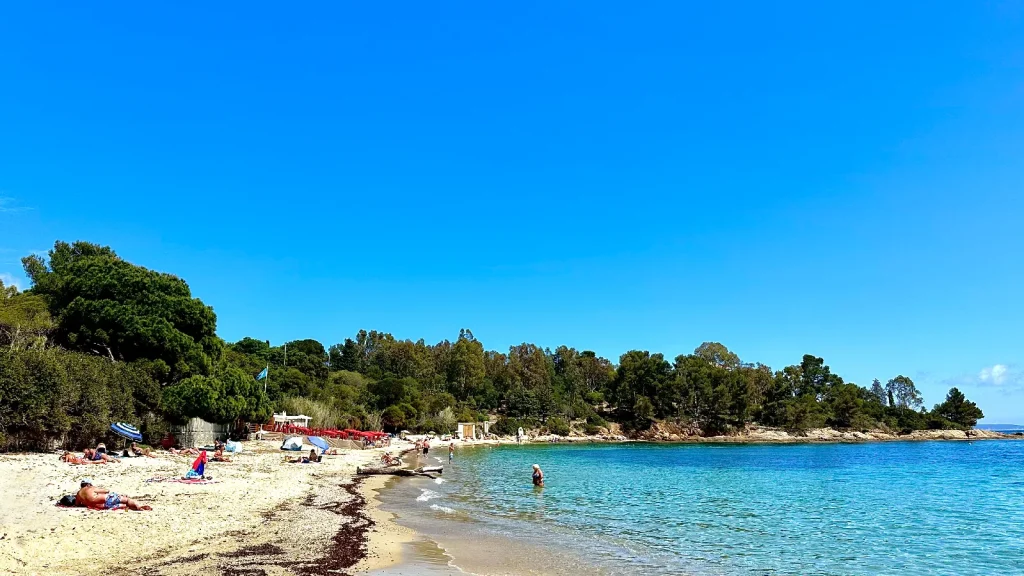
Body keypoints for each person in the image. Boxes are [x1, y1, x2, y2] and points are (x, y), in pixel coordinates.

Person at [75, 480, 152, 511]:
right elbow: (106, 491)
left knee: (124, 505)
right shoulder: (91, 488)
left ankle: (129, 507)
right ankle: (138, 506)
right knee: (127, 499)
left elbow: (77, 504)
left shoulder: (78, 494)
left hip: (102, 506)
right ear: (88, 484)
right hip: (108, 499)